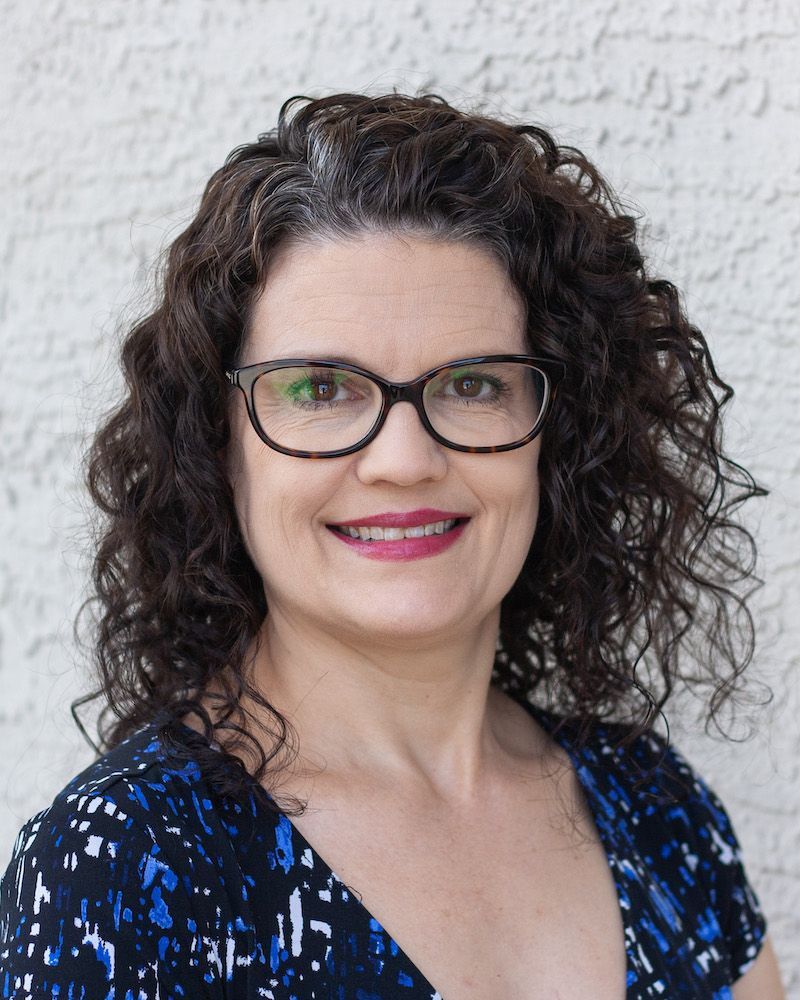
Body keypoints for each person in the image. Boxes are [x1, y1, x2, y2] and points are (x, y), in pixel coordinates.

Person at [0, 91, 785, 999]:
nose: (406, 460)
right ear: (217, 448)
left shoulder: (658, 812)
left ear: (555, 435)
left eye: (473, 384)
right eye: (322, 388)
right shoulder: (129, 867)